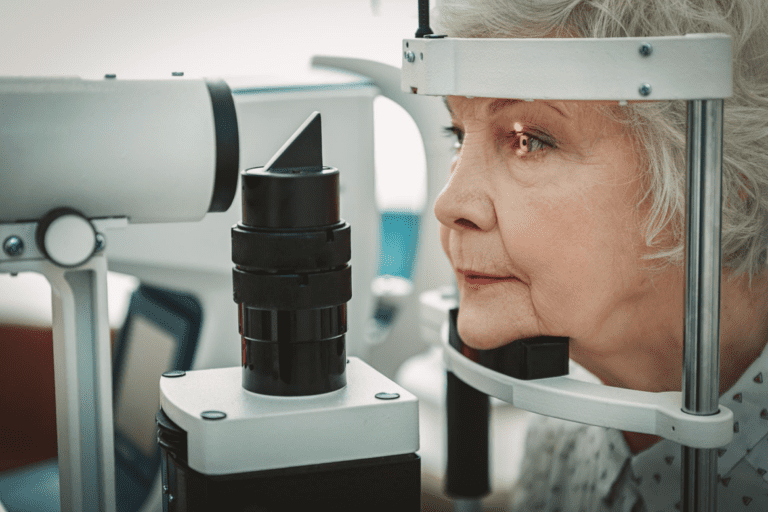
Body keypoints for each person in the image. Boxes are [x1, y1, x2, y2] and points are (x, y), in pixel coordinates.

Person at [432, 0, 768, 510]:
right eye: (456, 134)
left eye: (529, 140)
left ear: (727, 177)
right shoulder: (563, 431)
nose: (450, 204)